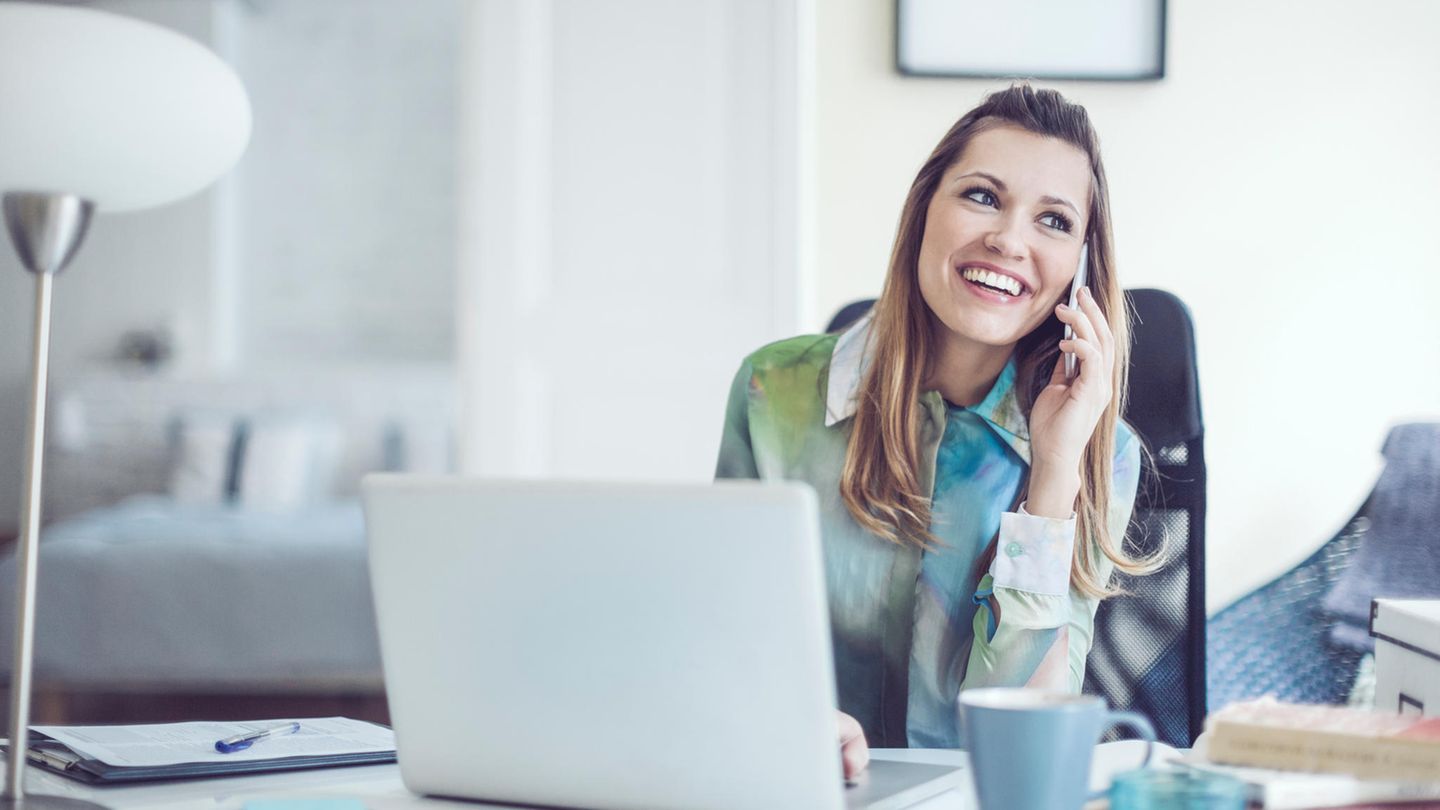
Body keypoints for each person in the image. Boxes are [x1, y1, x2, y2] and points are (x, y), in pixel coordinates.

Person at [715, 84, 1152, 776]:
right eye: (982, 195)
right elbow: (723, 642)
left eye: (1054, 221)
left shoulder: (1099, 456)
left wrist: (1053, 477)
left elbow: (1023, 746)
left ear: (1079, 272)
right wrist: (788, 720)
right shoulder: (775, 393)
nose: (1009, 240)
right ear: (925, 211)